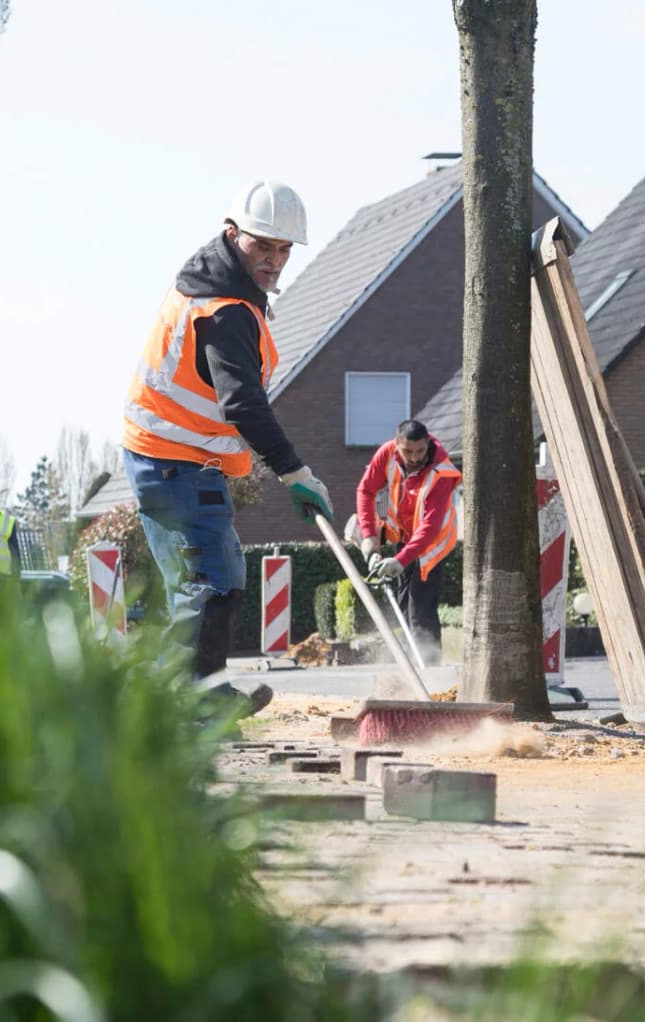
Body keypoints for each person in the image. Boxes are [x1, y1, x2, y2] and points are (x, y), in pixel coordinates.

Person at [121, 180, 333, 713]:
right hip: (176, 462)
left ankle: (182, 698)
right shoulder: (224, 309)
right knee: (213, 580)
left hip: (164, 456)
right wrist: (294, 472)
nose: (275, 260)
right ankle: (192, 704)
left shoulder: (216, 285)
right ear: (232, 234)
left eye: (285, 250)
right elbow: (243, 404)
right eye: (263, 246)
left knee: (198, 583)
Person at [354, 419, 461, 665]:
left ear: (428, 445)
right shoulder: (387, 454)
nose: (414, 458)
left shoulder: (441, 471)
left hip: (432, 545)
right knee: (403, 606)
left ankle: (430, 670)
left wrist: (401, 560)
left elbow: (430, 527)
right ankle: (412, 665)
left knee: (420, 609)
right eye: (407, 451)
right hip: (403, 537)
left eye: (420, 451)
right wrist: (370, 537)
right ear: (397, 445)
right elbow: (365, 491)